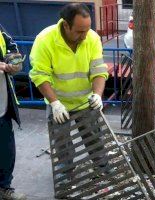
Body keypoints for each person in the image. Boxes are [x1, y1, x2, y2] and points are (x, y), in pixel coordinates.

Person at [29, 3, 109, 191]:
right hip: (59, 102)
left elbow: (98, 69)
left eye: (87, 30)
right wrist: (55, 103)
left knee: (94, 139)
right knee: (62, 142)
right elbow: (40, 75)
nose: (84, 36)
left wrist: (97, 95)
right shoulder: (45, 40)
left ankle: (103, 169)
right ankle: (66, 175)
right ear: (66, 25)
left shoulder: (92, 38)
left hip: (85, 101)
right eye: (80, 31)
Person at [0, 24, 26, 200]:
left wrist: (13, 61)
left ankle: (4, 187)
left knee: (5, 150)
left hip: (2, 105)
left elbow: (11, 47)